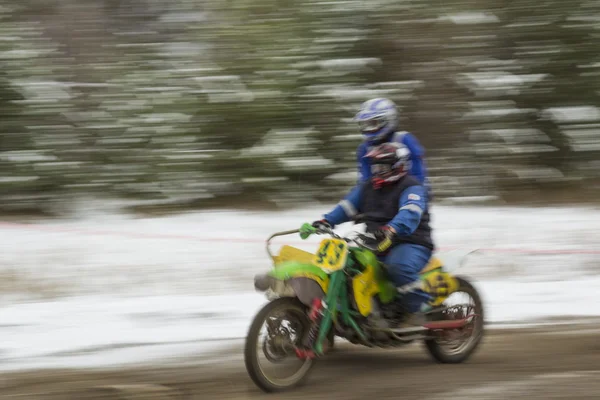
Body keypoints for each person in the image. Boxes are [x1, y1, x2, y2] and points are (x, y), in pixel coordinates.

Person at [300, 142, 434, 327]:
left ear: (399, 166)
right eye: (375, 167)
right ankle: (354, 312)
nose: (378, 171)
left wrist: (392, 228)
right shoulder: (368, 187)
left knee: (398, 267)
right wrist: (326, 221)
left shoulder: (412, 187)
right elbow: (347, 207)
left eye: (383, 167)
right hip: (376, 240)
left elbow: (410, 212)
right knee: (348, 265)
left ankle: (416, 309)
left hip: (410, 242)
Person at [354, 98, 429, 191]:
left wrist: (420, 195)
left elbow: (419, 173)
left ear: (388, 120)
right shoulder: (364, 148)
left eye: (373, 124)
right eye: (365, 124)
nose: (369, 129)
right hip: (379, 195)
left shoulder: (404, 139)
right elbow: (364, 179)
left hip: (407, 193)